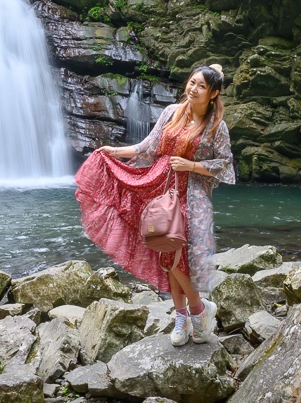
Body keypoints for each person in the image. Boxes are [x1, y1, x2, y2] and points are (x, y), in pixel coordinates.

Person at [74, 64, 235, 346]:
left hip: (191, 194)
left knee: (177, 257)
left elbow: (224, 165)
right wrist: (112, 151)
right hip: (158, 187)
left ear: (213, 93)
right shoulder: (171, 112)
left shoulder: (216, 127)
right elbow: (147, 147)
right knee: (165, 251)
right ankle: (185, 315)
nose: (192, 89)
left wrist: (192, 165)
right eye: (191, 82)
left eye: (200, 86)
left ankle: (195, 312)